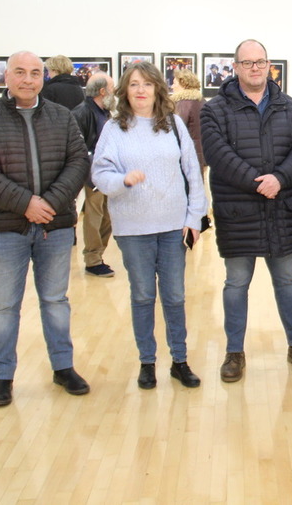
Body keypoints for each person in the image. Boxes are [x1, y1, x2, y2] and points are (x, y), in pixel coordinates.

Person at [0, 50, 90, 407]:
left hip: (55, 225)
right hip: (5, 229)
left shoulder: (61, 117)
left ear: (44, 78)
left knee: (55, 301)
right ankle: (2, 376)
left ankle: (63, 367)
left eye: (36, 73)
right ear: (6, 76)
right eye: (20, 72)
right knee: (4, 305)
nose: (28, 79)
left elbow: (78, 162)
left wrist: (50, 202)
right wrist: (26, 204)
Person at [200, 39, 292, 383]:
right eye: (247, 62)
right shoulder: (215, 109)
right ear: (235, 67)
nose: (254, 67)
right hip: (239, 214)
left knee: (287, 281)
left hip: (282, 211)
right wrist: (258, 183)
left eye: (261, 62)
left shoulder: (291, 109)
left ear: (269, 66)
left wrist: (279, 178)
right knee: (236, 284)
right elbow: (218, 155)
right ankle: (234, 352)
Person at [91, 62, 207, 390]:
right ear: (124, 91)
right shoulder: (114, 128)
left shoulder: (172, 124)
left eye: (147, 84)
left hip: (172, 226)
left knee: (174, 296)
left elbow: (192, 171)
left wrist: (194, 217)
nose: (141, 90)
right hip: (132, 228)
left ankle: (180, 361)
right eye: (134, 84)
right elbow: (99, 174)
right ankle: (147, 362)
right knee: (142, 296)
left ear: (158, 88)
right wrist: (122, 179)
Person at [72, 72, 117, 277]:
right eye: (112, 88)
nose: (114, 92)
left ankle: (98, 255)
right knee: (94, 216)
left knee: (107, 215)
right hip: (93, 175)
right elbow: (79, 149)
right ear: (102, 91)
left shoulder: (104, 112)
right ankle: (92, 259)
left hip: (107, 173)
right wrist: (92, 176)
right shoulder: (82, 113)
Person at [171, 68, 206, 175]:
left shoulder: (183, 103)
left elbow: (176, 130)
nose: (172, 86)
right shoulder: (201, 101)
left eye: (174, 83)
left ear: (183, 83)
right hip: (202, 152)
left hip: (188, 154)